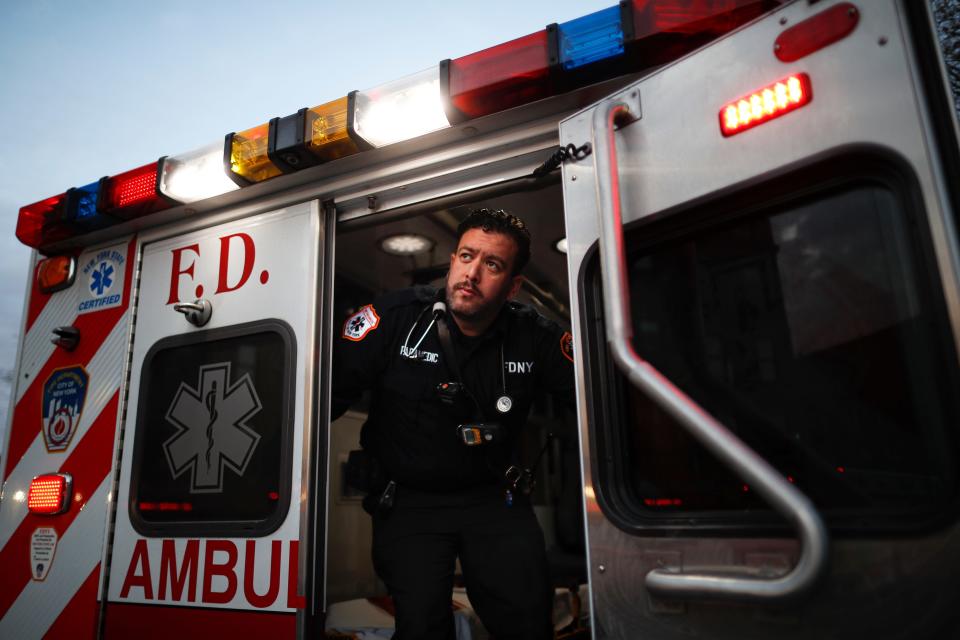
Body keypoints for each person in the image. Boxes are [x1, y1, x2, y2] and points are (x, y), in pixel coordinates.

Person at [332, 208, 575, 640]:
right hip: (409, 505)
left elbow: (595, 403)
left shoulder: (533, 336)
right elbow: (320, 400)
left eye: (492, 265)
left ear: (513, 285)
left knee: (527, 623)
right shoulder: (395, 320)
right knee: (423, 628)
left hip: (494, 500)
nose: (472, 273)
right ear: (452, 261)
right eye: (466, 256)